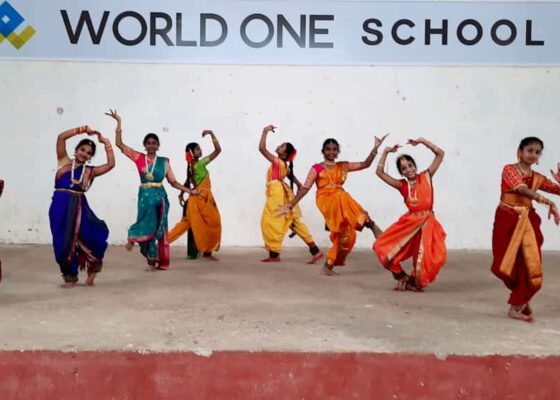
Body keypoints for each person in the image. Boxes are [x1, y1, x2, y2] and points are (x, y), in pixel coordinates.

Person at [280, 135, 387, 276]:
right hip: (327, 201)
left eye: (334, 149)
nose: (331, 152)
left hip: (341, 201)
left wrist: (375, 148)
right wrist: (290, 205)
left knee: (347, 235)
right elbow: (305, 188)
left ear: (338, 152)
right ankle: (369, 223)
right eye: (328, 149)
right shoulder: (317, 168)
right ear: (323, 151)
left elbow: (365, 164)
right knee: (342, 195)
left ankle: (328, 266)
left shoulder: (342, 166)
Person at [106, 109, 198, 271]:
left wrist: (189, 191)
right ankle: (135, 238)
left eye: (154, 143)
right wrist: (119, 123)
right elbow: (120, 145)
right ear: (145, 145)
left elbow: (173, 181)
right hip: (145, 197)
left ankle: (157, 259)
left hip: (160, 196)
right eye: (148, 143)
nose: (151, 145)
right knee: (146, 222)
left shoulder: (164, 161)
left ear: (158, 145)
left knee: (160, 228)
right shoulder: (138, 157)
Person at [491, 137, 560, 322]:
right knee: (503, 266)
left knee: (530, 266)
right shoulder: (509, 170)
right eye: (529, 150)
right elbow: (521, 190)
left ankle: (517, 306)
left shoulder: (537, 178)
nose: (533, 155)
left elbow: (556, 190)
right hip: (507, 221)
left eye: (537, 152)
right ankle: (519, 297)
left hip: (527, 223)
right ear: (520, 152)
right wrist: (547, 202)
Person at [373, 138, 446, 291]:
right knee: (381, 246)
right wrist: (385, 152)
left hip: (428, 223)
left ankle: (412, 281)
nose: (409, 170)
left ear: (415, 166)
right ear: (401, 173)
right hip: (410, 223)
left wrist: (422, 141)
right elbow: (379, 172)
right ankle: (400, 276)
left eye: (410, 166)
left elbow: (440, 154)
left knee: (430, 258)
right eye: (404, 168)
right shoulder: (402, 186)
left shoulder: (426, 176)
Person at [49, 125, 115, 288]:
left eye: (88, 153)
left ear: (90, 157)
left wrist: (106, 143)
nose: (84, 154)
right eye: (82, 149)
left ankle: (92, 271)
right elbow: (61, 137)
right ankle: (70, 277)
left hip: (79, 207)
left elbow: (110, 164)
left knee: (92, 238)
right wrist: (80, 130)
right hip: (59, 207)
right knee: (62, 241)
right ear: (76, 149)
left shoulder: (90, 171)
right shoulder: (63, 162)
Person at [259, 125, 323, 263]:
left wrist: (265, 132)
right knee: (293, 222)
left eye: (282, 147)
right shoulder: (283, 164)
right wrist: (299, 184)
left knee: (271, 220)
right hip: (281, 191)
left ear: (284, 154)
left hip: (276, 193)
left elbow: (262, 149)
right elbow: (290, 176)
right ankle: (315, 250)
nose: (279, 146)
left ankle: (274, 255)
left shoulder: (277, 162)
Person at [168, 130, 222, 261]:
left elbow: (187, 181)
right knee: (214, 224)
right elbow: (218, 150)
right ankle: (207, 252)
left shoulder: (190, 166)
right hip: (202, 198)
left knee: (185, 223)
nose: (200, 151)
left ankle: (162, 242)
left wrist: (182, 194)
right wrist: (212, 134)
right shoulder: (201, 163)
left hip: (194, 199)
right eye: (198, 149)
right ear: (192, 153)